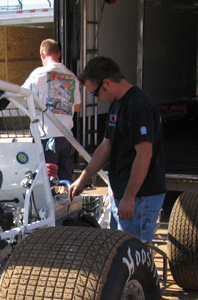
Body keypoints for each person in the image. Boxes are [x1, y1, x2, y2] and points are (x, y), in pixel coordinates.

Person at [69, 56, 166, 242]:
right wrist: (83, 179)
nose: (97, 99)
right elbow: (106, 145)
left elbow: (144, 153)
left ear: (106, 83)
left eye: (95, 93)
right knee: (117, 247)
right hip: (123, 193)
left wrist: (130, 197)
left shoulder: (138, 106)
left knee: (132, 250)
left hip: (141, 197)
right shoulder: (116, 105)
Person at [22, 39, 81, 181]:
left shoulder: (38, 74)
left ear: (42, 54)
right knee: (65, 182)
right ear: (59, 54)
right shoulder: (71, 76)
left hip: (46, 137)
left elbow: (21, 97)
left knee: (45, 182)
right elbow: (77, 107)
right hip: (67, 137)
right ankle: (66, 196)